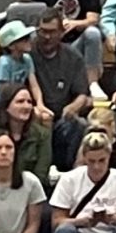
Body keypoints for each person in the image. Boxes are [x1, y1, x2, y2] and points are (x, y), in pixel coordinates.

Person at [10, 0, 104, 93]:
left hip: (74, 45)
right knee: (33, 36)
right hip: (51, 44)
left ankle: (92, 84)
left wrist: (73, 23)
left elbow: (92, 19)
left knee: (93, 34)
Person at [31, 9, 92, 170]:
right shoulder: (28, 53)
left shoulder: (73, 57)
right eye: (43, 31)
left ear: (62, 32)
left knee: (80, 125)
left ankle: (71, 173)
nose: (47, 37)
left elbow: (82, 94)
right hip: (33, 115)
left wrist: (73, 107)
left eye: (52, 32)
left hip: (61, 117)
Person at [0, 82, 52, 191]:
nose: (26, 106)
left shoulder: (42, 134)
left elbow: (41, 175)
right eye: (20, 102)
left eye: (29, 102)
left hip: (28, 193)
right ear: (6, 106)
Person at [0, 20, 42, 113]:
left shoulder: (27, 59)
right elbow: (4, 91)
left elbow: (34, 86)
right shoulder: (4, 62)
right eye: (24, 39)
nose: (29, 41)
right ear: (11, 46)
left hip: (18, 99)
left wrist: (40, 104)